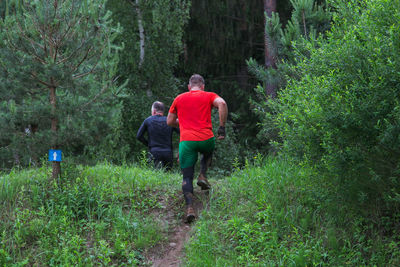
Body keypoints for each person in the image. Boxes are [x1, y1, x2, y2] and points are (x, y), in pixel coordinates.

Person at [167, 74, 228, 223]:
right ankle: (202, 174)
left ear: (189, 87)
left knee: (187, 176)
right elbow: (223, 104)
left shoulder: (179, 98)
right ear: (202, 86)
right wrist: (221, 127)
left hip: (187, 141)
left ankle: (189, 208)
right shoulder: (209, 95)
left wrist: (183, 123)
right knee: (208, 151)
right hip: (206, 138)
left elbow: (169, 121)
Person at [137, 101, 179, 170]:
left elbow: (139, 136)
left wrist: (148, 144)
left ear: (153, 111)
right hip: (168, 153)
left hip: (154, 152)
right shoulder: (169, 121)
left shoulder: (148, 120)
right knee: (167, 175)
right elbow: (181, 133)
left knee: (153, 174)